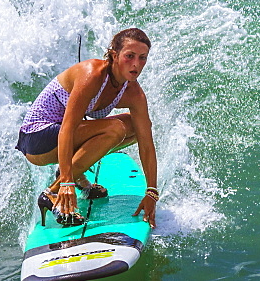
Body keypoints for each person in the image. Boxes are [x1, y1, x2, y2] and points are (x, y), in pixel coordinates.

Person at [15, 28, 159, 228]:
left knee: (137, 126)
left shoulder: (134, 93)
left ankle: (72, 173)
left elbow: (146, 142)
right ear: (115, 55)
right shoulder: (92, 75)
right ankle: (55, 191)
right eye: (129, 56)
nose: (136, 64)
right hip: (37, 138)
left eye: (142, 58)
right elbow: (67, 127)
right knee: (115, 129)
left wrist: (151, 191)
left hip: (64, 137)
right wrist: (67, 182)